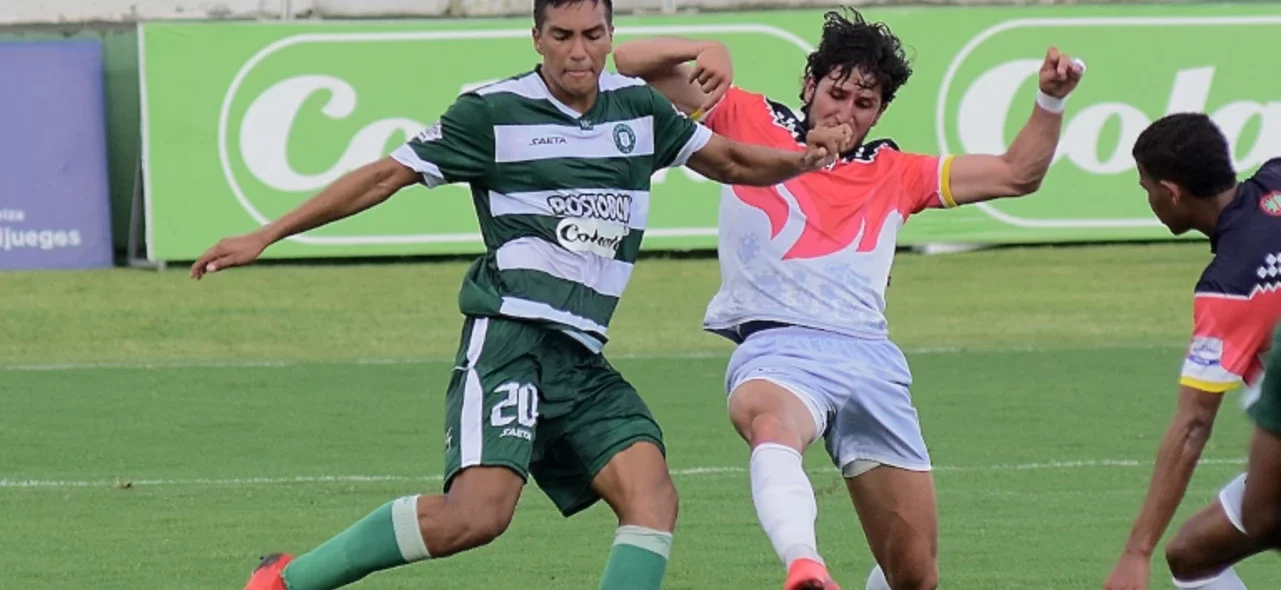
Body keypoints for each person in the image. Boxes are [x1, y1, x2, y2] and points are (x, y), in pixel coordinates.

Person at [189, 0, 855, 588]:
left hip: (581, 357)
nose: (578, 51)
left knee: (651, 495)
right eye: (561, 34)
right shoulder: (491, 112)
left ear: (609, 33)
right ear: (535, 37)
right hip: (511, 338)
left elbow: (733, 161)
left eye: (592, 34)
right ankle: (285, 581)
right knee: (474, 518)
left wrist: (803, 158)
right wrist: (266, 235)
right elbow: (383, 176)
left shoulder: (640, 110)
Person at [613, 8, 1083, 589]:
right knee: (770, 423)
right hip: (779, 346)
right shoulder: (745, 115)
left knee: (915, 577)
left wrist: (1051, 101)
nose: (846, 113)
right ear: (810, 85)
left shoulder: (896, 171)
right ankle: (805, 565)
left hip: (870, 359)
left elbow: (1018, 174)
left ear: (880, 111)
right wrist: (704, 43)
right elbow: (626, 63)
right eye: (836, 94)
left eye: (865, 105)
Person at [1103, 113, 1281, 590]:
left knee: (1191, 556)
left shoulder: (1227, 290)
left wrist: (1135, 551)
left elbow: (1193, 425)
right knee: (1191, 554)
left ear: (1172, 191)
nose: (1150, 201)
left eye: (1147, 189)